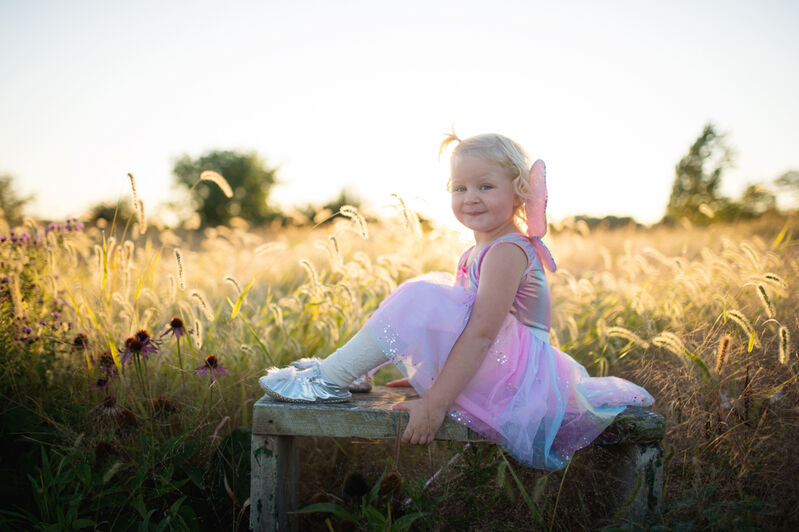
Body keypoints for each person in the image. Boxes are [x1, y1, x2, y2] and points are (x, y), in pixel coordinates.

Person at [259, 132, 654, 470]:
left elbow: (482, 334)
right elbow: (460, 323)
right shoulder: (478, 250)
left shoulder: (507, 251)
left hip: (515, 376)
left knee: (421, 294)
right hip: (501, 365)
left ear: (519, 192)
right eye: (459, 187)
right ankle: (346, 370)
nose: (470, 197)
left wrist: (435, 403)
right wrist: (426, 369)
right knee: (427, 291)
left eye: (485, 186)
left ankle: (331, 380)